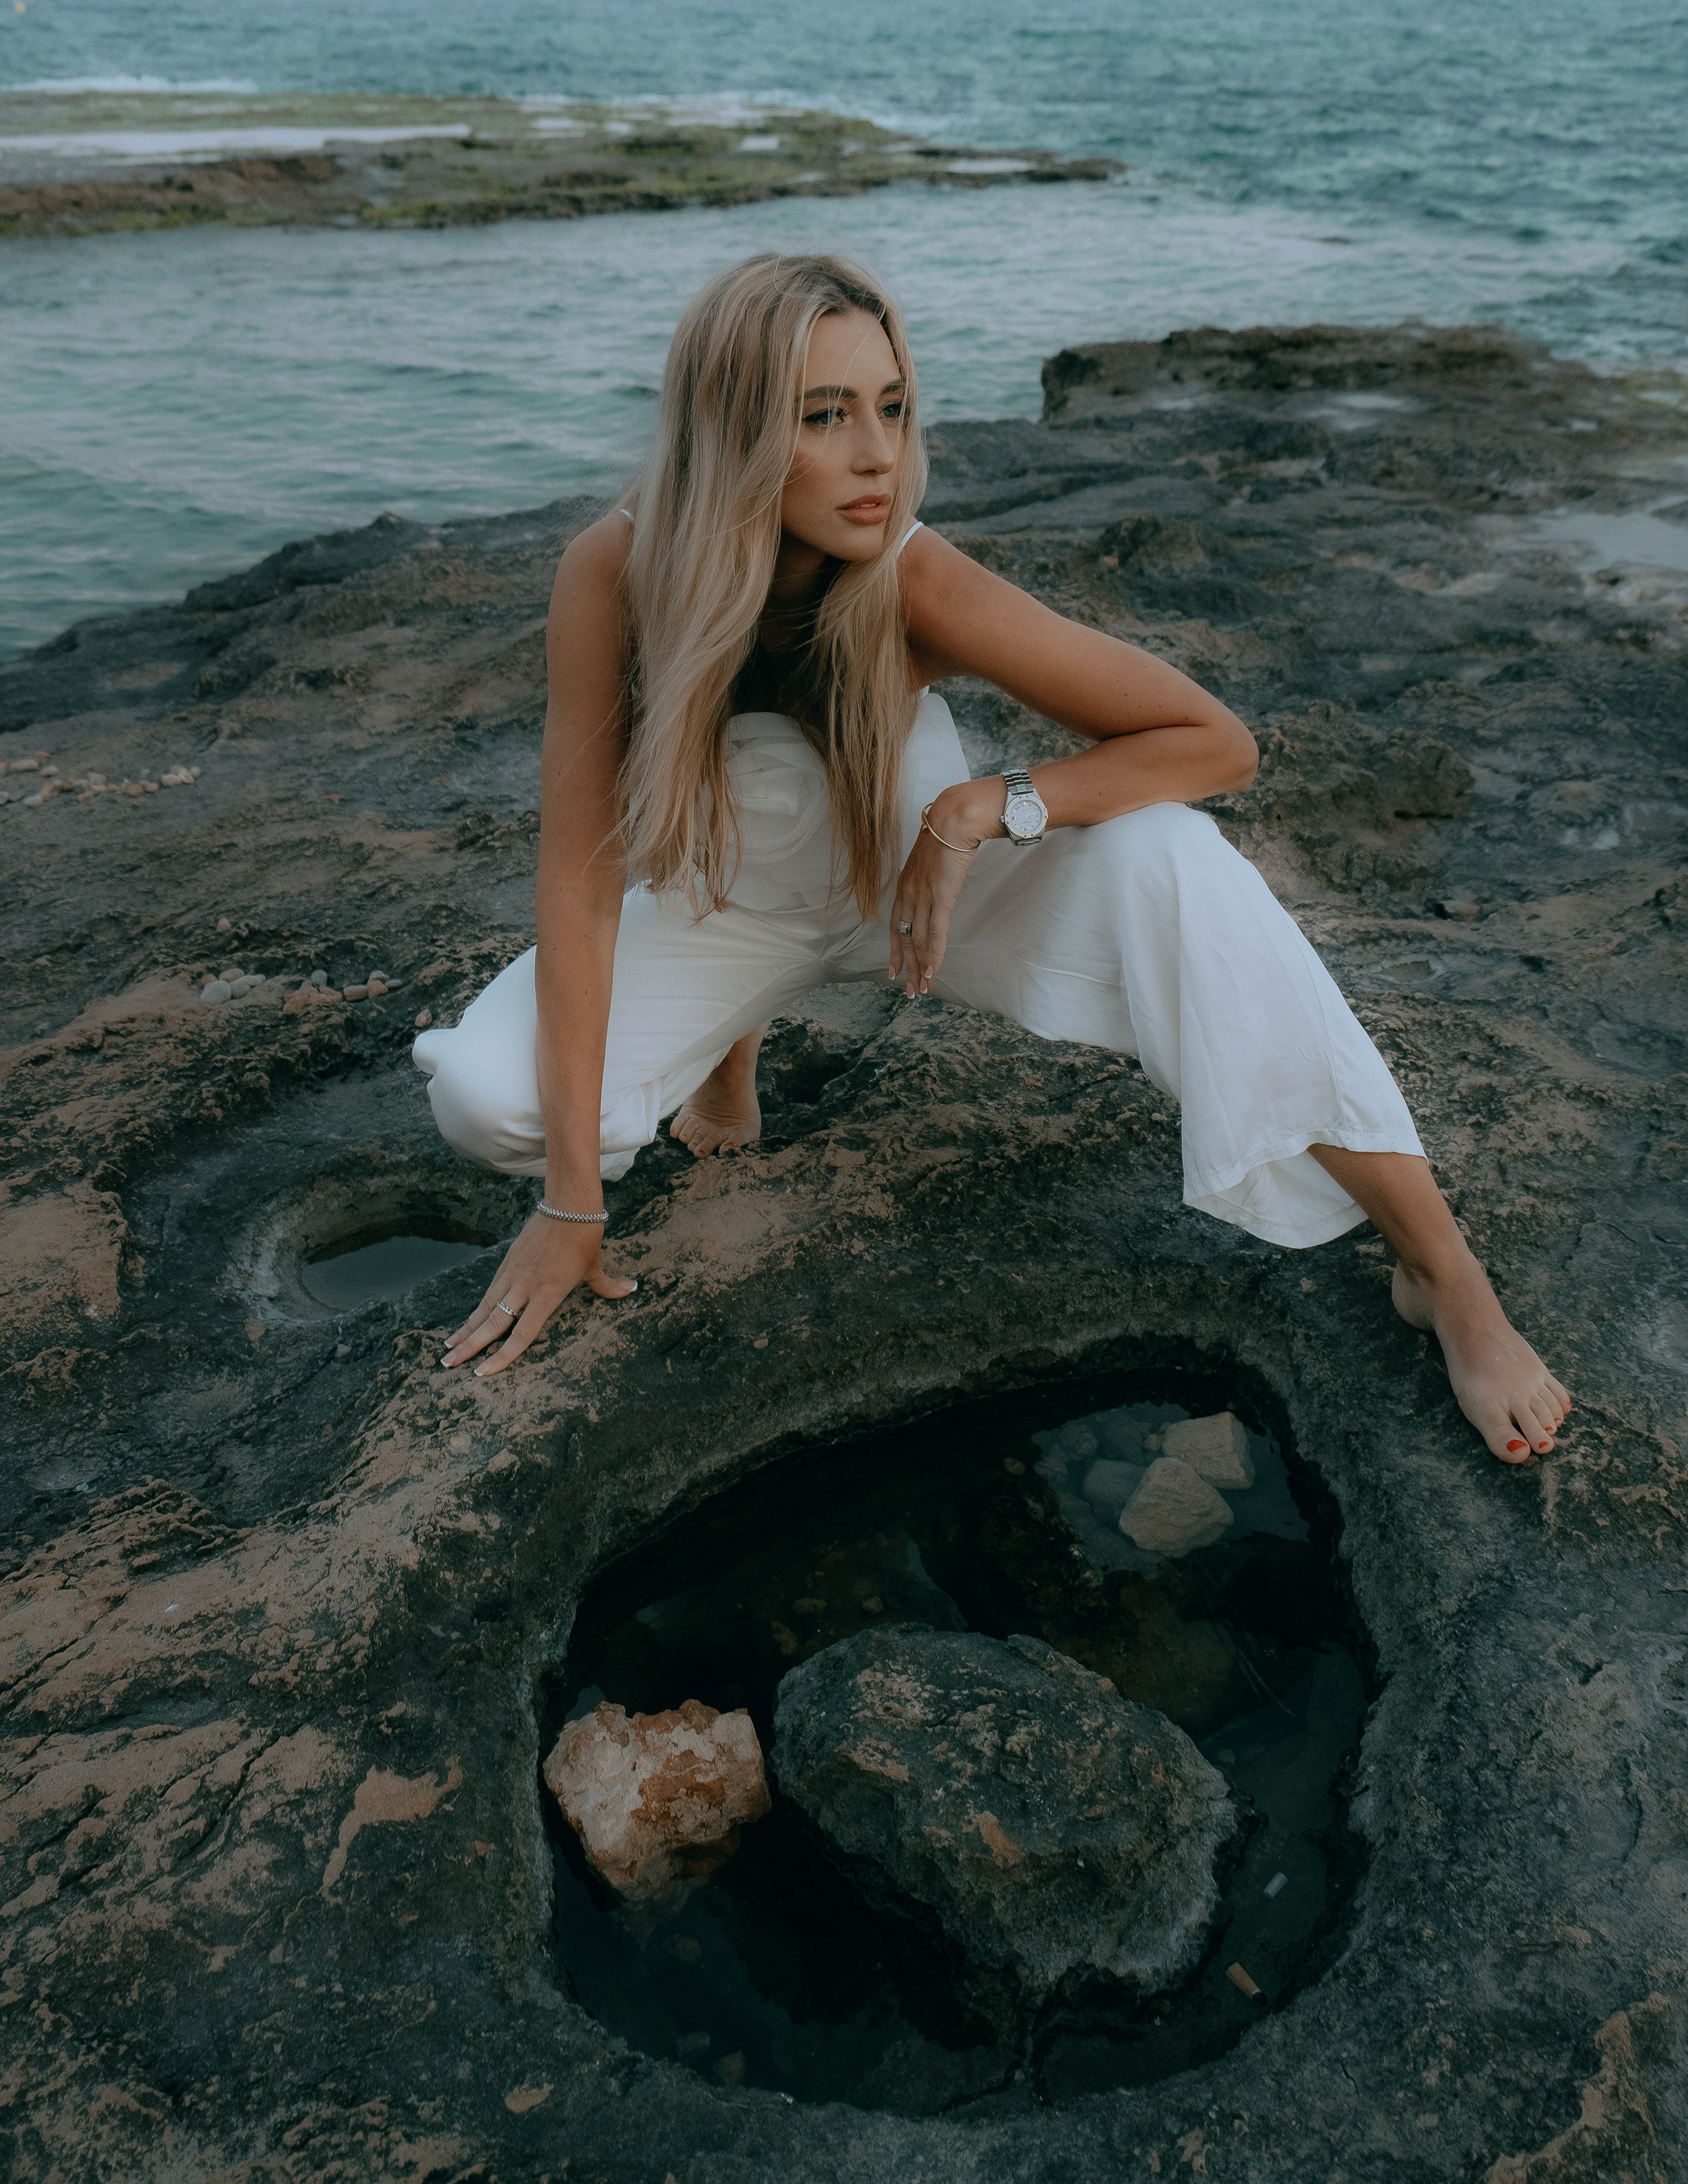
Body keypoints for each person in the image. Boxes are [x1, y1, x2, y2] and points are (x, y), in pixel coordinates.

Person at [414, 251, 1570, 1465]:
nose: (875, 456)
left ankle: (1441, 1275)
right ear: (733, 429)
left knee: (1180, 864)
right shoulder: (617, 569)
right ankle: (727, 1053)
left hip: (919, 903)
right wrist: (569, 1206)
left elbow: (1213, 745)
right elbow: (580, 878)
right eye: (823, 417)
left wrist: (983, 806)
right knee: (490, 1103)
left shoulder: (912, 574)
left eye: (892, 406)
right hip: (731, 916)